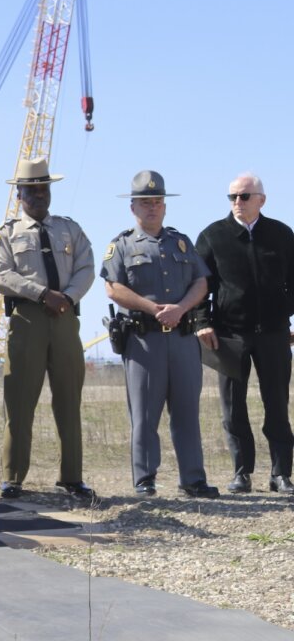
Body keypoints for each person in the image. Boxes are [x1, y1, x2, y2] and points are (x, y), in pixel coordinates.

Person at [102, 170, 218, 498]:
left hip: (182, 338)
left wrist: (181, 308)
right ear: (133, 208)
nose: (152, 207)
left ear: (165, 206)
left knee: (186, 412)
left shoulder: (180, 242)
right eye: (145, 202)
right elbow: (113, 288)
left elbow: (201, 282)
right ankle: (145, 479)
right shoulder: (121, 245)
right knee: (144, 414)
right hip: (144, 340)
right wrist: (155, 310)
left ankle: (193, 479)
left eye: (157, 202)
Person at [0, 157, 95, 501]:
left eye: (43, 189)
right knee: (19, 402)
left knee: (69, 400)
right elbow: (2, 276)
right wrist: (41, 293)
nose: (38, 196)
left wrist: (67, 296)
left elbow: (86, 267)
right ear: (19, 194)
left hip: (65, 319)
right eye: (31, 191)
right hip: (28, 320)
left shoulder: (70, 229)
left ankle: (72, 477)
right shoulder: (6, 234)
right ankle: (13, 477)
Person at [194, 173, 294, 495]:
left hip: (275, 334)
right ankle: (241, 473)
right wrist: (202, 322)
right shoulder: (212, 236)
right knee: (233, 408)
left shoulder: (281, 235)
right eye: (233, 197)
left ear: (261, 200)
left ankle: (281, 474)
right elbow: (199, 286)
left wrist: (287, 316)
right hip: (229, 335)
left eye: (244, 196)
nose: (238, 202)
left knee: (277, 404)